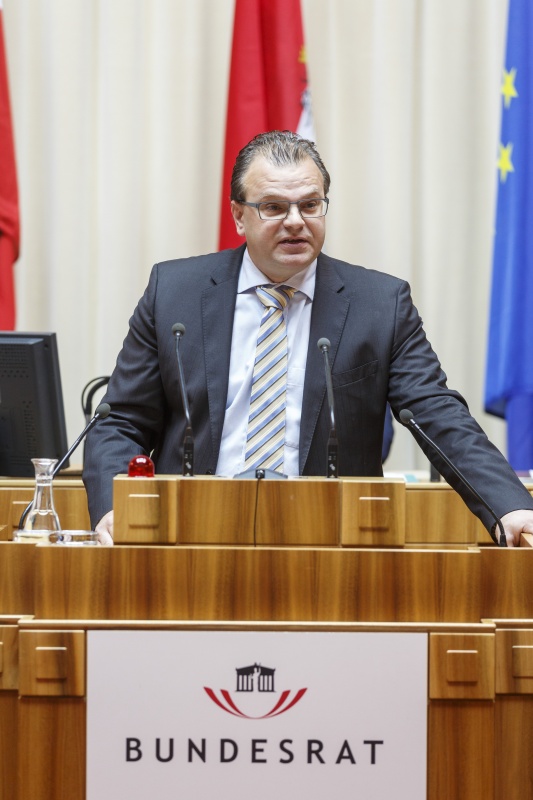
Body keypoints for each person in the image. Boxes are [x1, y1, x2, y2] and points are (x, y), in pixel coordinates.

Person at [83, 130, 533, 546]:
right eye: (274, 207)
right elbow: (121, 421)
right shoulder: (174, 293)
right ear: (239, 215)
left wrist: (509, 507)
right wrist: (112, 509)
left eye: (310, 205)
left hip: (331, 543)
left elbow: (437, 414)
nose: (296, 221)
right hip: (191, 536)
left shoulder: (380, 304)